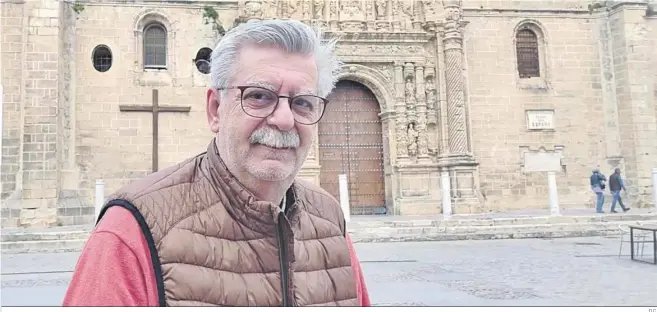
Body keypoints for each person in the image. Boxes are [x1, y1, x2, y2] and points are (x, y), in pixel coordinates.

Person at [63, 20, 370, 307]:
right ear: (215, 109)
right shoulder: (131, 231)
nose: (284, 119)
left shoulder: (331, 222)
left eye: (303, 102)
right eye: (259, 96)